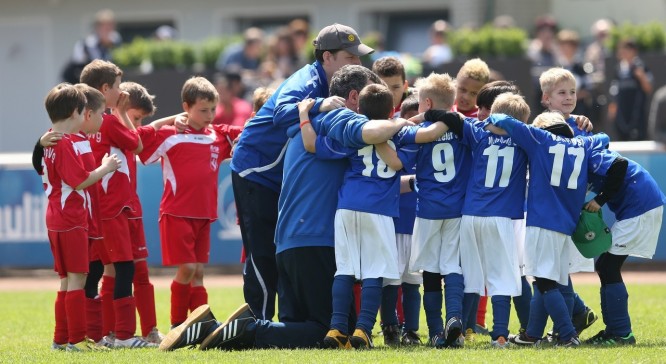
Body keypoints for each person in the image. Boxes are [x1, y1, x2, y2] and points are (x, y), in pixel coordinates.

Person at [158, 64, 413, 351]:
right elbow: (372, 132)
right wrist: (401, 123)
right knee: (330, 331)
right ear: (353, 97)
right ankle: (241, 328)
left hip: (289, 243)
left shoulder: (309, 124)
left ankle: (213, 328)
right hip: (315, 241)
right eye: (366, 98)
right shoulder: (340, 119)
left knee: (295, 330)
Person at [228, 23, 373, 323]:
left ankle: (274, 326)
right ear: (327, 57)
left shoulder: (330, 85)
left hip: (276, 177)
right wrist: (319, 104)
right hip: (255, 170)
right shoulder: (307, 80)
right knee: (262, 254)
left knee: (279, 254)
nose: (357, 63)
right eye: (351, 57)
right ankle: (254, 326)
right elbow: (282, 113)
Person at [135, 77, 242, 330]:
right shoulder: (170, 134)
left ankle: (201, 324)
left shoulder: (217, 135)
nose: (209, 115)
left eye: (212, 109)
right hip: (176, 213)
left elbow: (251, 131)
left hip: (204, 215)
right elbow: (136, 141)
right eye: (203, 110)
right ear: (186, 107)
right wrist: (173, 119)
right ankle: (178, 324)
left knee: (199, 272)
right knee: (188, 268)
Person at [494, 111, 608, 348]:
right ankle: (532, 334)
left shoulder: (540, 138)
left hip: (542, 221)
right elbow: (604, 138)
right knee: (545, 281)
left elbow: (504, 120)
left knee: (545, 282)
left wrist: (487, 121)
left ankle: (567, 335)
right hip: (567, 223)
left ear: (543, 128)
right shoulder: (583, 144)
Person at [79, 59, 155, 348]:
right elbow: (136, 144)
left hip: (94, 208)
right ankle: (123, 335)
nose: (121, 91)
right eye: (118, 86)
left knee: (96, 269)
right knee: (124, 267)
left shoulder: (82, 123)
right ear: (105, 88)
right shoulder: (108, 120)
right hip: (115, 208)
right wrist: (120, 111)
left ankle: (93, 333)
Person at [40, 83, 121, 351]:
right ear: (76, 112)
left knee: (66, 279)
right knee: (77, 278)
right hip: (70, 216)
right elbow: (80, 182)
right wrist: (105, 168)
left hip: (58, 216)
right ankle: (76, 339)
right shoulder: (62, 144)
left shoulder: (52, 139)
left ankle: (60, 339)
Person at [540, 67, 601, 339]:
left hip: (569, 209)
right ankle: (577, 312)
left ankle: (565, 324)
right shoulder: (540, 125)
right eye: (561, 93)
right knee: (551, 270)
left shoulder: (582, 126)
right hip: (548, 207)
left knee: (552, 270)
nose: (568, 97)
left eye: (572, 92)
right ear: (546, 98)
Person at [585, 149, 665, 345]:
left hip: (640, 206)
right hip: (636, 207)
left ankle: (622, 334)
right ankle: (613, 331)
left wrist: (600, 199)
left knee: (608, 267)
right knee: (604, 265)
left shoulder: (586, 151)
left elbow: (619, 164)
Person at [371, 56, 421, 346]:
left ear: (405, 86)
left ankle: (411, 329)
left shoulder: (417, 125)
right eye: (383, 87)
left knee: (412, 278)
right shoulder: (369, 127)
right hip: (385, 215)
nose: (391, 94)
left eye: (395, 87)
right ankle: (389, 327)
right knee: (388, 279)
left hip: (414, 215)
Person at [119, 81, 164, 344]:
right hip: (112, 212)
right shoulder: (108, 130)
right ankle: (112, 332)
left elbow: (149, 129)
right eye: (135, 117)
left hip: (131, 210)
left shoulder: (127, 130)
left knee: (140, 271)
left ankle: (150, 331)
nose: (138, 125)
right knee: (113, 272)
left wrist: (174, 119)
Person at [608, 38, 654, 141]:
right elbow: (614, 89)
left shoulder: (640, 66)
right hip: (621, 113)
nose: (623, 53)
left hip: (637, 112)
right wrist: (612, 106)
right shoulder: (618, 68)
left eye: (626, 50)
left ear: (634, 51)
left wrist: (641, 76)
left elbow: (648, 88)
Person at [62, 9, 122, 84]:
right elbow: (73, 70)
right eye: (106, 28)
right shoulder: (85, 45)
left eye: (110, 27)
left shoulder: (116, 42)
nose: (109, 31)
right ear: (97, 28)